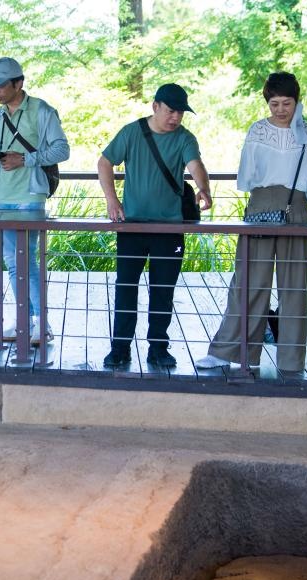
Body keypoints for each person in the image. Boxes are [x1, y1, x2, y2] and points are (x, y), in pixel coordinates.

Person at [196, 72, 307, 373]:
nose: (280, 109)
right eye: (274, 103)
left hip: (297, 207)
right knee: (248, 283)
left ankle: (291, 362)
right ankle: (232, 353)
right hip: (261, 204)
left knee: (294, 288)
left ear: (297, 101)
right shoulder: (257, 131)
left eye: (287, 103)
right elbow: (247, 176)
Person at [98, 83, 212, 368]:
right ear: (155, 106)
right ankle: (120, 347)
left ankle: (158, 347)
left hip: (169, 227)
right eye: (171, 111)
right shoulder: (132, 132)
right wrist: (113, 201)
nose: (175, 117)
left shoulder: (185, 138)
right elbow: (104, 162)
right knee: (126, 287)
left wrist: (204, 188)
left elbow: (195, 164)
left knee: (163, 289)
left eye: (181, 113)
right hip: (132, 225)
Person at [0, 57, 70, 345]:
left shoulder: (42, 111)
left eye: (1, 85)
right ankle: (25, 322)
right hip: (3, 199)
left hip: (30, 197)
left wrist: (26, 159)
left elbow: (62, 149)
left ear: (19, 83)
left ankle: (42, 323)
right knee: (14, 265)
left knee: (28, 263)